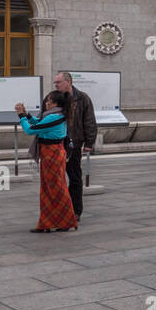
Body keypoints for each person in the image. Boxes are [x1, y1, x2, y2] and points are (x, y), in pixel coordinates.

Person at [16, 91, 78, 233]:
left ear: (56, 104)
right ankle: (49, 222)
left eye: (49, 101)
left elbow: (31, 130)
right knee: (49, 188)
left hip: (52, 154)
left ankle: (66, 220)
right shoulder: (56, 115)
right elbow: (39, 123)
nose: (46, 103)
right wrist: (27, 115)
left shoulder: (54, 117)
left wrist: (21, 116)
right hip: (51, 153)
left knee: (56, 188)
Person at [54, 71, 96, 221]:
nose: (55, 85)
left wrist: (89, 142)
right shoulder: (52, 98)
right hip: (55, 144)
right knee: (56, 179)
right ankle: (59, 209)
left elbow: (89, 120)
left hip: (73, 144)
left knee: (74, 177)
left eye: (58, 82)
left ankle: (75, 210)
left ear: (68, 82)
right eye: (55, 82)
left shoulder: (82, 98)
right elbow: (43, 117)